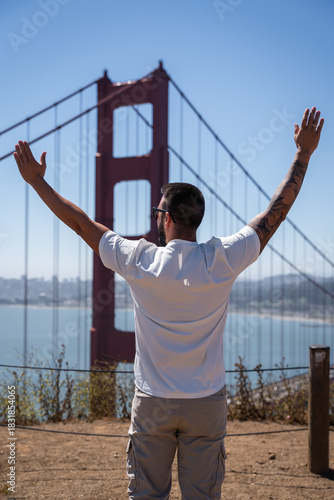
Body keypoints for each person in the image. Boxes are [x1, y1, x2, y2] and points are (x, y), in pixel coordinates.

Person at [14, 107, 324, 499]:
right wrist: (303, 155)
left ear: (166, 218)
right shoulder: (224, 259)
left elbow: (81, 224)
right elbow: (274, 214)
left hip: (153, 401)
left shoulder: (139, 260)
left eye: (157, 211)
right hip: (205, 403)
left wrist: (38, 183)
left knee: (146, 495)